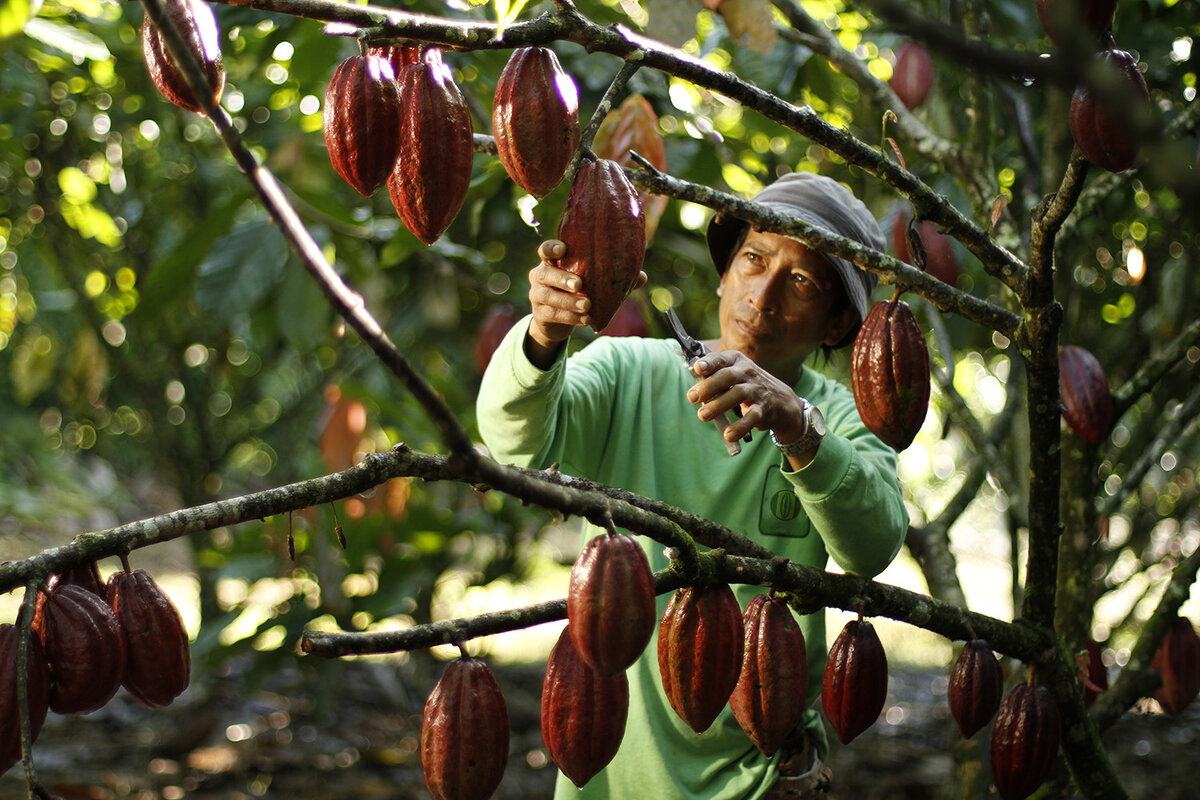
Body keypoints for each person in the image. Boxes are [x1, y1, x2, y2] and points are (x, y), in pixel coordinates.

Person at [476, 171, 908, 800]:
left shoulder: (838, 420)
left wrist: (797, 428)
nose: (762, 296)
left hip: (763, 771)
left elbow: (874, 545)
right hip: (616, 765)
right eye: (754, 260)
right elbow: (515, 444)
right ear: (725, 271)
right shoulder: (630, 371)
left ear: (838, 323)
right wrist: (543, 338)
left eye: (802, 281)